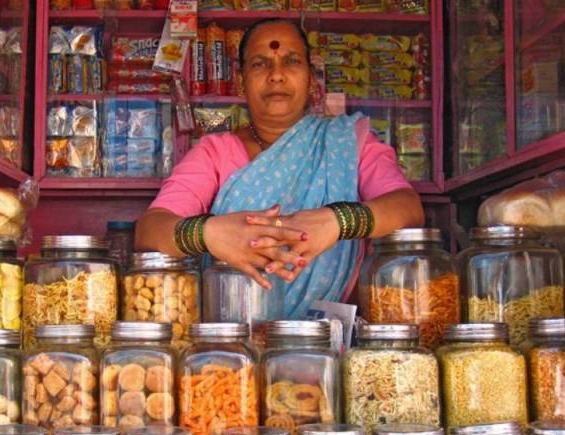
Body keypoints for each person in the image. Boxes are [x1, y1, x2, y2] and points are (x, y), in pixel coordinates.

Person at [135, 18, 424, 317]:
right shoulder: (214, 152)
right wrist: (208, 234)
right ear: (241, 79)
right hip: (230, 346)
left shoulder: (347, 143)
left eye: (292, 62)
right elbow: (150, 230)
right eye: (260, 64)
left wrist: (337, 221)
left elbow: (407, 208)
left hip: (325, 342)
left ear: (312, 77)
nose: (276, 75)